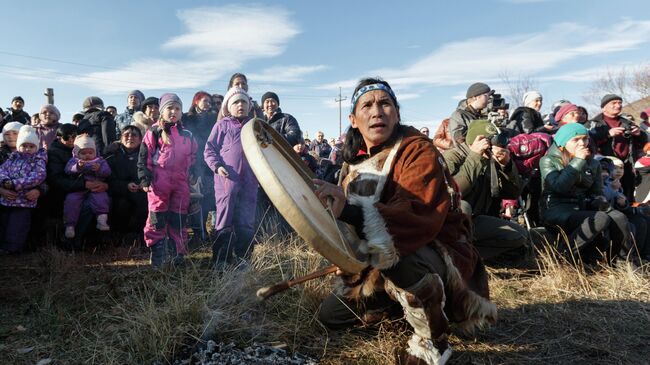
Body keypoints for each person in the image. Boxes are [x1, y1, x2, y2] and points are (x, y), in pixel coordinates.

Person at [315, 78, 496, 365]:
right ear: (353, 119)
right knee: (331, 317)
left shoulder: (417, 150)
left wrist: (347, 210)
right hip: (375, 264)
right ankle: (402, 305)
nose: (377, 112)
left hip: (435, 256)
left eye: (385, 104)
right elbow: (349, 227)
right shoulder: (353, 163)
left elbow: (413, 217)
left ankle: (432, 342)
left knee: (398, 255)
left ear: (397, 113)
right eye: (367, 105)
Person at [540, 123, 633, 262]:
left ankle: (622, 262)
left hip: (582, 206)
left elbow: (596, 191)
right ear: (563, 143)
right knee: (600, 218)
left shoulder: (593, 163)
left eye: (585, 138)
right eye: (575, 140)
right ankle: (563, 256)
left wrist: (600, 200)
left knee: (618, 217)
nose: (582, 143)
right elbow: (559, 187)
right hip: (556, 208)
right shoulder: (548, 160)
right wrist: (578, 161)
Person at [443, 120, 529, 261]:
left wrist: (506, 166)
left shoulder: (491, 159)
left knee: (519, 235)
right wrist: (475, 156)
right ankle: (452, 258)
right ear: (473, 141)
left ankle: (471, 257)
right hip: (450, 221)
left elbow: (513, 193)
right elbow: (453, 192)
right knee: (464, 207)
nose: (491, 146)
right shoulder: (452, 157)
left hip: (476, 220)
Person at [138, 93, 197, 267]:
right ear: (162, 111)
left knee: (178, 217)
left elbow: (193, 156)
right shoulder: (154, 132)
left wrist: (193, 173)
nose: (173, 111)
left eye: (177, 108)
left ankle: (177, 251)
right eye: (170, 108)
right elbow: (144, 157)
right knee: (157, 217)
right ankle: (157, 250)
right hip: (159, 182)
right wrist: (144, 178)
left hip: (180, 182)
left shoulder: (187, 134)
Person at [204, 87, 258, 265]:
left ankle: (244, 259)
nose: (240, 105)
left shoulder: (254, 126)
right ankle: (221, 260)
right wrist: (217, 166)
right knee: (225, 219)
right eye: (236, 102)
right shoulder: (222, 125)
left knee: (246, 220)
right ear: (228, 106)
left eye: (244, 101)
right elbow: (209, 150)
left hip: (250, 181)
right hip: (227, 180)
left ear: (249, 106)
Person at [589, 94, 647, 202]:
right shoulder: (594, 123)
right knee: (608, 193)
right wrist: (607, 134)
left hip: (627, 164)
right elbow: (590, 142)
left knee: (628, 193)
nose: (618, 105)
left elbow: (643, 143)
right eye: (614, 103)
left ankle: (629, 214)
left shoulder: (627, 122)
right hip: (605, 165)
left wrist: (639, 134)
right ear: (604, 107)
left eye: (620, 102)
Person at [0, 125, 47, 254]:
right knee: (5, 223)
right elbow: (1, 170)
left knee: (17, 225)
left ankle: (13, 248)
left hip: (23, 201)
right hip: (6, 200)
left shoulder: (37, 160)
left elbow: (38, 176)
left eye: (31, 146)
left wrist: (15, 184)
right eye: (24, 145)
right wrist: (4, 182)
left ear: (36, 147)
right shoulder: (12, 158)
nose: (27, 149)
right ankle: (3, 246)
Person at [63, 135, 111, 239]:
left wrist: (99, 169)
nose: (87, 156)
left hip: (96, 186)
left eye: (90, 152)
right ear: (77, 153)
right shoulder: (74, 161)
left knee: (101, 198)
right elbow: (68, 170)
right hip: (79, 187)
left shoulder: (100, 161)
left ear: (95, 152)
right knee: (71, 200)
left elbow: (107, 172)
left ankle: (102, 218)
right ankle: (70, 225)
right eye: (83, 153)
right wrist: (78, 167)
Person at [105, 126, 147, 244]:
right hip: (119, 193)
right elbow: (108, 179)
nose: (130, 138)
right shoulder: (111, 156)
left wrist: (142, 184)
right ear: (120, 138)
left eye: (134, 135)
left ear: (140, 139)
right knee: (121, 204)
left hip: (141, 191)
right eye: (126, 135)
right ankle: (120, 236)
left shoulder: (146, 155)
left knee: (144, 202)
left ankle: (141, 236)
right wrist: (125, 185)